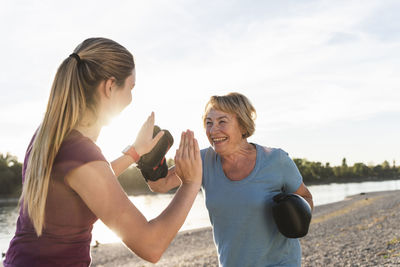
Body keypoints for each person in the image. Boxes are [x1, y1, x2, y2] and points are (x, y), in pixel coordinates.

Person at [3, 37, 202, 267]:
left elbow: (88, 182)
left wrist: (135, 153)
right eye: (130, 87)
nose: (131, 97)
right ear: (109, 87)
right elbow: (151, 245)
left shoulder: (49, 135)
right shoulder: (81, 154)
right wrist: (191, 183)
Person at [148, 92, 314, 266]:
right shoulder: (203, 160)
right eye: (209, 123)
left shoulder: (276, 160)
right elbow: (160, 184)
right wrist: (147, 161)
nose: (213, 130)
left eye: (222, 122)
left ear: (242, 126)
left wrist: (296, 216)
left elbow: (306, 197)